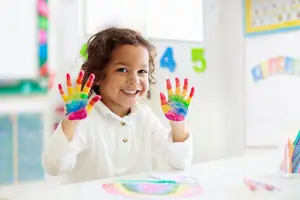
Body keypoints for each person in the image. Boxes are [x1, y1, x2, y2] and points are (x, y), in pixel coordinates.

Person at [42, 27, 195, 184]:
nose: (135, 80)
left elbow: (179, 162)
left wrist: (178, 125)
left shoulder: (145, 117)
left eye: (142, 71)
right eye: (122, 70)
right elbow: (54, 166)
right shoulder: (84, 119)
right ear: (98, 76)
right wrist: (70, 122)